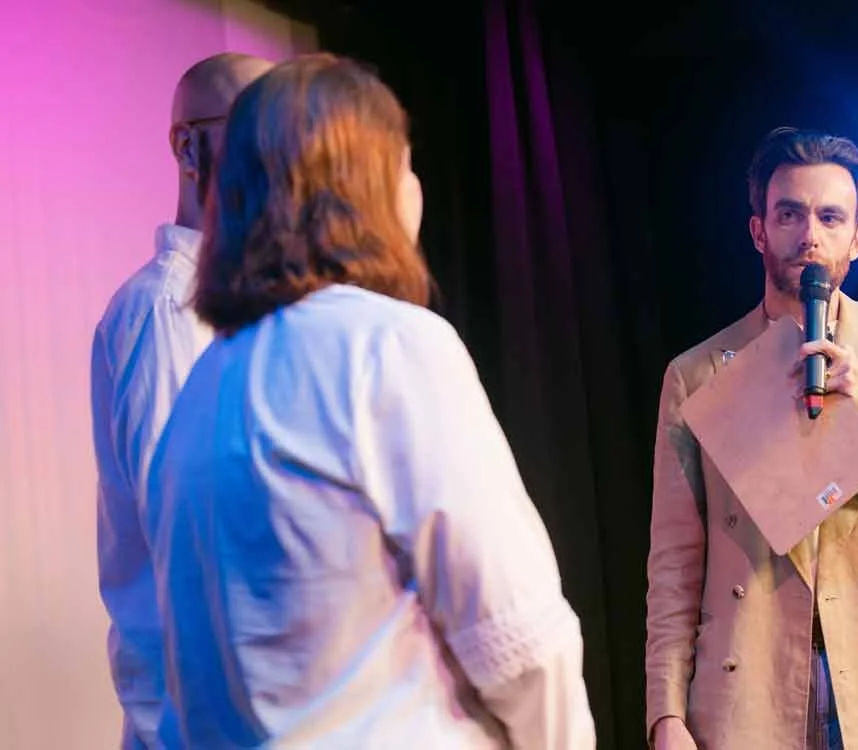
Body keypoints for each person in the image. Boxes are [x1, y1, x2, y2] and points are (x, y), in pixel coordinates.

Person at [143, 53, 596, 749]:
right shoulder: (386, 346)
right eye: (404, 163)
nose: (415, 188)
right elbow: (520, 641)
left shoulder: (200, 391)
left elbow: (182, 680)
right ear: (364, 188)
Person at [644, 127, 858, 749]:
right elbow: (674, 561)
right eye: (790, 214)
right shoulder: (697, 376)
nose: (810, 234)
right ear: (759, 231)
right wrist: (665, 712)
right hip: (752, 690)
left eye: (830, 217)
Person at [90, 51, 273, 749]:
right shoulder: (168, 311)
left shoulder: (250, 313)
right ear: (189, 148)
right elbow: (192, 547)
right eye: (255, 127)